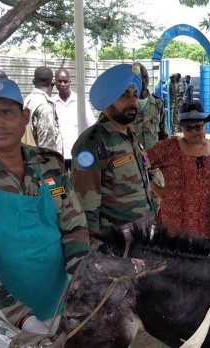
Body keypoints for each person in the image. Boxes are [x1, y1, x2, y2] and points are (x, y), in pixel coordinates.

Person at [0, 77, 90, 334]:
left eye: (6, 112)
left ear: (25, 116)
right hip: (2, 318)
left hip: (60, 303)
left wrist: (82, 287)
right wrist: (25, 321)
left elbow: (74, 227)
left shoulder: (50, 164)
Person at [71, 63, 154, 243]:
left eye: (134, 95)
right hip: (115, 242)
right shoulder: (92, 143)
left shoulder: (130, 136)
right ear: (108, 99)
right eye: (124, 96)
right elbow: (86, 205)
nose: (133, 102)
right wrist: (95, 249)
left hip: (142, 234)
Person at [146, 102, 210, 248]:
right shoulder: (166, 148)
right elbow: (140, 164)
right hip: (173, 224)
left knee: (203, 266)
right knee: (173, 266)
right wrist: (157, 189)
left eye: (198, 126)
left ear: (205, 125)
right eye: (188, 127)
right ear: (182, 128)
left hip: (208, 224)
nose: (194, 131)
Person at [53, 67, 96, 169]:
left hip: (79, 152)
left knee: (79, 183)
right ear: (55, 83)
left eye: (65, 81)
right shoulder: (52, 103)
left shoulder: (81, 101)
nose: (63, 84)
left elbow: (91, 126)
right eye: (59, 81)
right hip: (59, 154)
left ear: (70, 82)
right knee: (63, 183)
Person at [128, 63, 168, 149]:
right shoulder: (127, 104)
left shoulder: (158, 103)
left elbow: (163, 134)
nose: (143, 81)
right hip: (134, 156)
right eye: (139, 78)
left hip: (154, 155)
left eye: (145, 77)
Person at [24, 66, 63, 154]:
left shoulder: (27, 100)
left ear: (33, 81)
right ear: (52, 82)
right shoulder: (45, 106)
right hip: (42, 163)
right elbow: (47, 146)